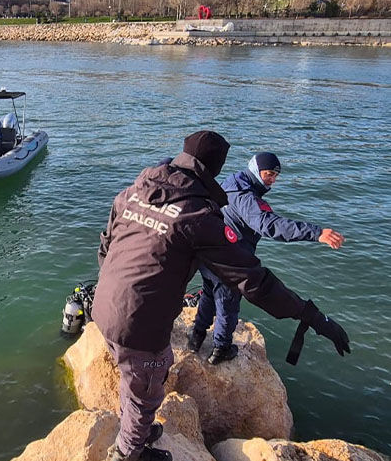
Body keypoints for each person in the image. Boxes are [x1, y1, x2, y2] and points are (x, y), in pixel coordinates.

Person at [91, 131, 350, 461]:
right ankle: (130, 451)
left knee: (140, 376)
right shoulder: (197, 215)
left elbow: (106, 243)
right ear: (213, 169)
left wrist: (118, 289)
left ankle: (137, 429)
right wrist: (312, 316)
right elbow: (254, 280)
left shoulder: (135, 190)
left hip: (105, 303)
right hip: (140, 322)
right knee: (146, 387)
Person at [188, 152, 345, 364]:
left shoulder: (230, 182)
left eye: (275, 175)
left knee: (209, 292)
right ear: (255, 170)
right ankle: (221, 348)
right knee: (228, 303)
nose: (272, 179)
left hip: (210, 252)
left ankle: (197, 335)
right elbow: (269, 225)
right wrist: (316, 233)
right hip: (231, 260)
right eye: (268, 174)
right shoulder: (247, 198)